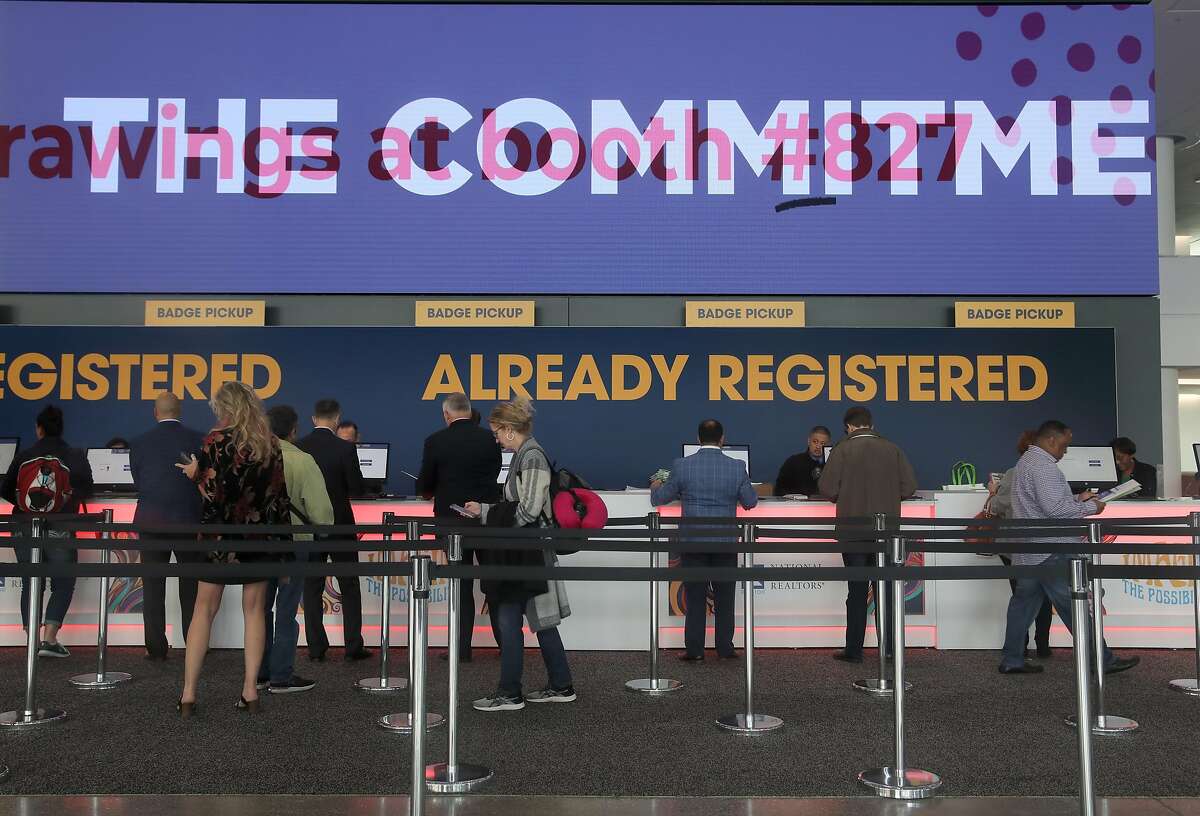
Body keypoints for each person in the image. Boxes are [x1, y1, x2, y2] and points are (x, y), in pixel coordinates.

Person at [176, 381, 291, 715]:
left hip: (218, 538)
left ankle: (188, 695)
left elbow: (213, 495)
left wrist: (194, 475)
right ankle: (250, 691)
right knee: (255, 612)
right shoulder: (270, 444)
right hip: (258, 538)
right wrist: (281, 548)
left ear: (223, 407)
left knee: (203, 610)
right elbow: (278, 499)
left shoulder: (214, 441)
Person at [998, 420, 1139, 675]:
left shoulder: (1027, 462)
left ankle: (1012, 658)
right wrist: (1091, 507)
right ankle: (1102, 660)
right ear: (1051, 440)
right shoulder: (1043, 467)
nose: (1066, 451)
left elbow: (1043, 504)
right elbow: (1055, 510)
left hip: (1030, 550)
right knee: (1075, 605)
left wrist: (1076, 498)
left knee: (1021, 607)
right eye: (1064, 445)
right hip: (1052, 548)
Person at [464, 398, 575, 711]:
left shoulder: (531, 457)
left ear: (510, 430)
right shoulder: (526, 455)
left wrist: (489, 513)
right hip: (525, 552)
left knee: (511, 618)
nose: (496, 438)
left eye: (497, 432)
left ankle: (512, 692)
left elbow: (526, 511)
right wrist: (486, 510)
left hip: (524, 553)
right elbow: (523, 508)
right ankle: (559, 685)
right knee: (538, 621)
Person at [651, 419, 758, 662]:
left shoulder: (682, 466)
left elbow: (660, 499)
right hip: (725, 542)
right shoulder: (737, 466)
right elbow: (750, 502)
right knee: (725, 596)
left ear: (698, 439)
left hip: (693, 541)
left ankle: (695, 650)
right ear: (722, 439)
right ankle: (725, 648)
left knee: (696, 596)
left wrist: (656, 485)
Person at [818, 406, 917, 664]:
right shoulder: (892, 448)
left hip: (853, 532)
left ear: (849, 427)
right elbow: (908, 487)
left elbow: (827, 488)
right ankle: (890, 648)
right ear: (871, 426)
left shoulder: (842, 449)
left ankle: (854, 650)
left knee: (857, 591)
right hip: (886, 533)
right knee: (886, 590)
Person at [1, 404, 94, 658]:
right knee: (63, 582)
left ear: (38, 429)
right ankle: (50, 639)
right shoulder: (74, 454)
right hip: (61, 527)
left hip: (23, 526)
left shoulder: (25, 455)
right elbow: (88, 489)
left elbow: (6, 488)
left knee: (32, 581)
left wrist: (27, 505)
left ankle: (31, 639)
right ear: (61, 429)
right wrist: (66, 502)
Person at [416, 392, 503, 661]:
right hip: (486, 520)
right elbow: (496, 473)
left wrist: (430, 491)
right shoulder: (490, 439)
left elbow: (425, 485)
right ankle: (507, 644)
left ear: (446, 414)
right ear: (469, 411)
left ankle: (461, 649)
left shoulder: (435, 441)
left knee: (461, 586)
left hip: (451, 523)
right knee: (495, 583)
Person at [258, 405, 333, 694]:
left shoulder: (254, 458)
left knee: (258, 610)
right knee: (286, 611)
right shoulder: (303, 461)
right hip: (294, 544)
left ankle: (259, 672)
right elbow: (322, 515)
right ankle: (280, 676)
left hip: (258, 545)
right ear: (294, 430)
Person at [129, 391, 206, 661]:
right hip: (189, 520)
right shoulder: (199, 438)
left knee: (152, 587)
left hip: (151, 521)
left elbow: (139, 482)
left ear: (155, 412)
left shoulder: (139, 443)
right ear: (180, 410)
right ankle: (193, 644)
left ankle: (156, 648)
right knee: (191, 588)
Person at [297, 398, 371, 662]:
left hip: (308, 526)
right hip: (340, 523)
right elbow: (356, 489)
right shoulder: (345, 448)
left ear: (313, 419)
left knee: (312, 585)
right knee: (349, 585)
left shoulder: (298, 447)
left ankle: (316, 648)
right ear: (337, 419)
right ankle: (353, 646)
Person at [988, 429, 1053, 659]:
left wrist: (993, 492)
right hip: (1043, 543)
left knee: (1021, 597)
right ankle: (1043, 646)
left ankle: (1020, 648)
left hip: (1015, 544)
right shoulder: (1052, 473)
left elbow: (997, 507)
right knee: (1045, 596)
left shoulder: (1014, 473)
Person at [773, 425, 832, 497]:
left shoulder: (833, 464)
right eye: (815, 442)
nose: (818, 446)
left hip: (826, 505)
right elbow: (779, 489)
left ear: (828, 445)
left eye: (822, 443)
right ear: (808, 441)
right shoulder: (793, 462)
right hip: (798, 506)